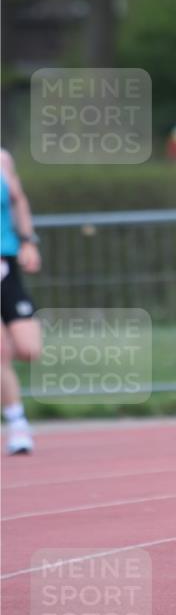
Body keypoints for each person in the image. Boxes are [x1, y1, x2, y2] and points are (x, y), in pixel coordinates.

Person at [1, 149, 42, 455]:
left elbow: (18, 199)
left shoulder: (2, 159)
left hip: (7, 263)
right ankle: (17, 423)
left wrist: (28, 240)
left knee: (29, 349)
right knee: (0, 352)